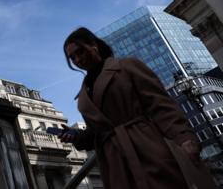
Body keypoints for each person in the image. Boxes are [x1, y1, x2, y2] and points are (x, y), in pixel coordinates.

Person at [60, 27, 204, 189]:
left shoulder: (127, 66)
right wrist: (77, 137)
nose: (78, 60)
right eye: (73, 58)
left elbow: (160, 105)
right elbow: (97, 131)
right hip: (114, 163)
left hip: (146, 147)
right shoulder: (84, 92)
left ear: (93, 45)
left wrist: (184, 136)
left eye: (81, 52)